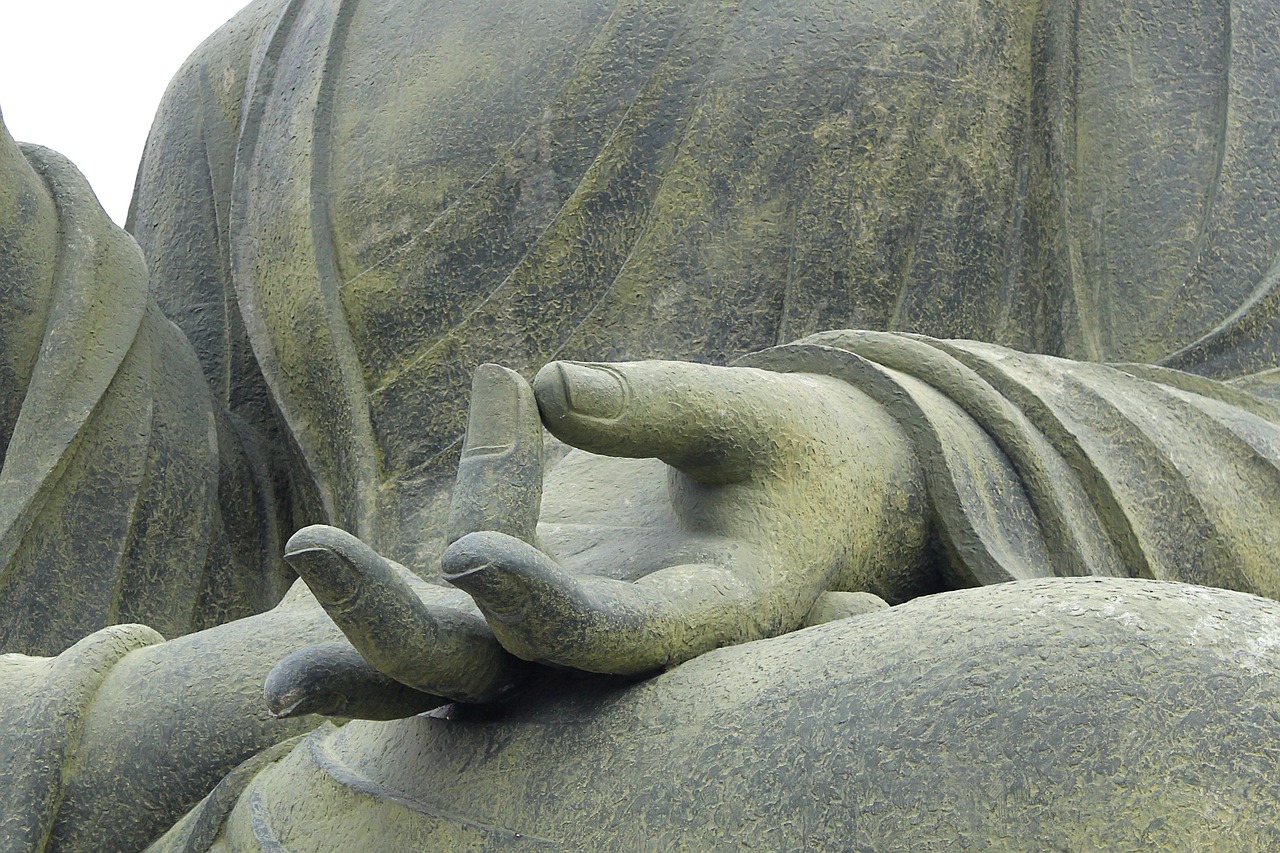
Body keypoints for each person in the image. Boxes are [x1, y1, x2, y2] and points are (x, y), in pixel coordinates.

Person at [3, 0, 1280, 847]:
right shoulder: (263, 64)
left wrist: (883, 461)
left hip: (818, 675)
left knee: (1174, 723)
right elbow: (214, 556)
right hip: (332, 717)